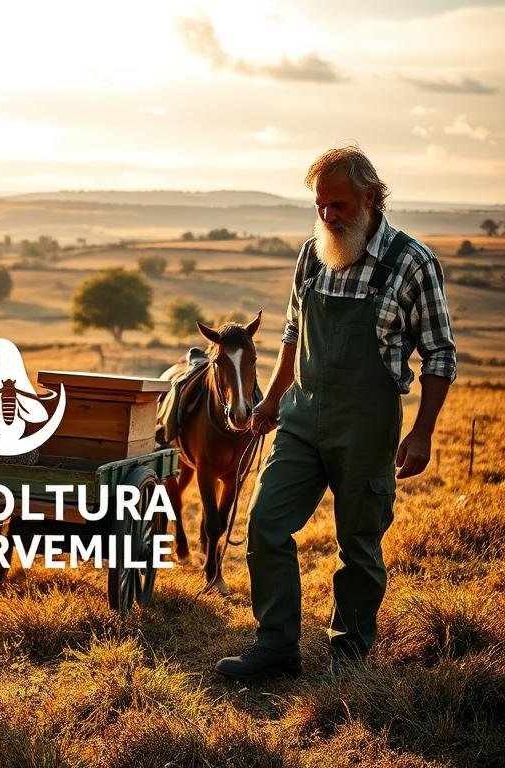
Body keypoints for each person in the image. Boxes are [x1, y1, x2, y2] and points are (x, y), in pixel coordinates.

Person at [215, 146, 456, 682]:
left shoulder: (412, 263)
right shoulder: (311, 254)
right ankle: (276, 645)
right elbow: (292, 333)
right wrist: (272, 399)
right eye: (320, 205)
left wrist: (423, 433)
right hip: (300, 418)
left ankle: (348, 656)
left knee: (358, 545)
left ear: (371, 198)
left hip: (366, 428)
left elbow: (440, 354)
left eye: (338, 205)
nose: (327, 216)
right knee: (265, 524)